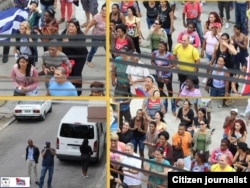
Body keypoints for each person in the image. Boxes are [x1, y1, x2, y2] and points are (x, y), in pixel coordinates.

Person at [61, 18, 89, 96]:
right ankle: (70, 89)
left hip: (80, 57)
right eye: (69, 26)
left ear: (77, 27)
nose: (70, 28)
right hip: (68, 57)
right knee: (69, 73)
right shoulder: (66, 33)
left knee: (76, 73)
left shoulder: (81, 35)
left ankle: (78, 91)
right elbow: (59, 39)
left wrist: (68, 42)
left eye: (72, 26)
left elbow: (78, 47)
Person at [83, 3, 106, 68]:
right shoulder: (97, 17)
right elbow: (88, 26)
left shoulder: (109, 17)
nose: (104, 12)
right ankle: (88, 60)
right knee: (94, 49)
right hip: (96, 36)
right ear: (101, 10)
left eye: (106, 11)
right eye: (103, 10)